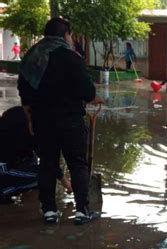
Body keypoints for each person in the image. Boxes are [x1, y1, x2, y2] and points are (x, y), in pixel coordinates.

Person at [18, 18, 104, 225]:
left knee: (47, 164)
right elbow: (87, 90)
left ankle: (49, 211)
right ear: (66, 35)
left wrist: (30, 118)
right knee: (77, 164)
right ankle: (82, 210)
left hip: (42, 121)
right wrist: (94, 97)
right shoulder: (71, 57)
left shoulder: (31, 57)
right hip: (70, 120)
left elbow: (24, 90)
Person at [0, 106, 72, 203]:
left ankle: (11, 184)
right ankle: (5, 191)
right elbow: (48, 160)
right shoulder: (35, 125)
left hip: (10, 159)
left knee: (33, 159)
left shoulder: (19, 112)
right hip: (4, 166)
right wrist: (66, 183)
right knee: (46, 176)